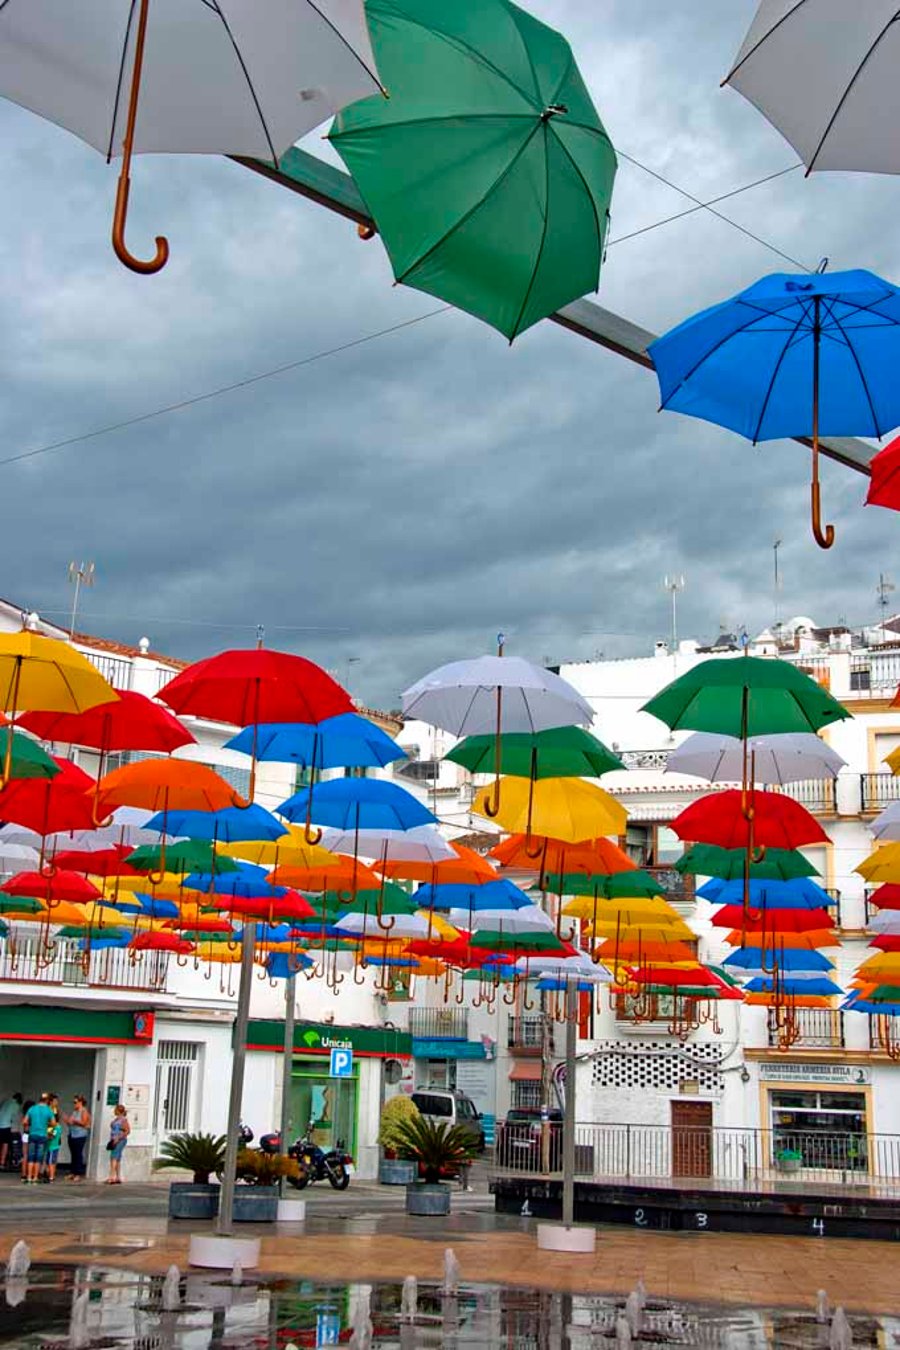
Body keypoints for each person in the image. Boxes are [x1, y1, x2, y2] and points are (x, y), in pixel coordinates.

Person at [24, 1094, 54, 1185]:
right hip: (42, 1136)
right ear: (47, 1101)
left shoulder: (32, 1109)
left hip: (32, 1135)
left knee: (31, 1157)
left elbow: (24, 1121)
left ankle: (29, 1177)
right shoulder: (48, 1110)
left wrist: (31, 1125)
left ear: (39, 1099)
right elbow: (54, 1123)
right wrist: (46, 1123)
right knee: (38, 1158)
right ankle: (35, 1177)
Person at [63, 1095, 92, 1182]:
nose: (74, 1104)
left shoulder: (84, 1111)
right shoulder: (75, 1111)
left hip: (80, 1135)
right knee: (73, 1153)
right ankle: (73, 1172)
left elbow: (84, 1123)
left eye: (75, 1102)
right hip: (72, 1134)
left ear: (80, 1102)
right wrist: (67, 1120)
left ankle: (78, 1173)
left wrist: (75, 1121)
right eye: (74, 1102)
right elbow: (71, 1121)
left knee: (78, 1153)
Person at [106, 1104, 130, 1184]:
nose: (114, 1111)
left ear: (118, 1111)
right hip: (114, 1139)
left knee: (114, 1157)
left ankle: (112, 1176)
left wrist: (118, 1138)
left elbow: (127, 1131)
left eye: (115, 1109)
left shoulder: (123, 1120)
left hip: (119, 1140)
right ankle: (117, 1177)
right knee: (117, 1158)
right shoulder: (116, 1119)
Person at [42, 1095, 62, 1183]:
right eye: (55, 1101)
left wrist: (48, 1136)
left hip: (52, 1141)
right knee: (49, 1159)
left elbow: (53, 1135)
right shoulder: (48, 1109)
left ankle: (51, 1176)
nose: (56, 1103)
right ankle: (48, 1173)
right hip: (51, 1135)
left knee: (51, 1161)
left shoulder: (56, 1110)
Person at [0, 1092, 22, 1171]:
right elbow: (15, 1119)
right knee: (5, 1144)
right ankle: (2, 1163)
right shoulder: (16, 1105)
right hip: (6, 1126)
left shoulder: (5, 1101)